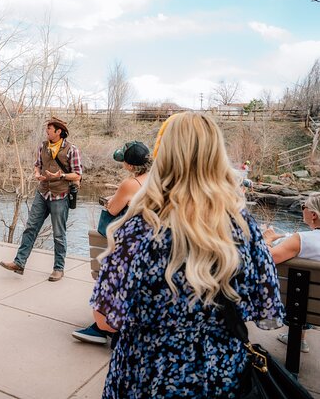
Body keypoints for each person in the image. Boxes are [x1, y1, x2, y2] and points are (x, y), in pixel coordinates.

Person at [90, 112, 284, 397]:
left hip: (148, 375)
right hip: (221, 377)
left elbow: (104, 320)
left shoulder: (139, 230)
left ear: (164, 157)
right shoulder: (243, 227)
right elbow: (264, 303)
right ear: (217, 156)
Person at [72, 140, 151, 345]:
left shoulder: (130, 184)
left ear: (130, 165)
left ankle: (102, 327)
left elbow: (113, 211)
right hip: (152, 246)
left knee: (110, 273)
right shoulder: (159, 180)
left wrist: (111, 202)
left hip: (129, 249)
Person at [0, 117, 82, 282]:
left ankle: (58, 269)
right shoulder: (43, 146)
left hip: (60, 195)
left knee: (59, 234)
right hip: (42, 193)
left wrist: (62, 175)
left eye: (49, 129)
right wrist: (37, 174)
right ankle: (19, 263)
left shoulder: (72, 149)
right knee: (30, 228)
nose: (47, 132)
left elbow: (78, 174)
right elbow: (37, 164)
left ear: (59, 131)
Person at [264, 192, 320, 353]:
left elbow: (267, 259)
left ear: (314, 215)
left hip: (297, 306)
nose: (303, 209)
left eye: (304, 207)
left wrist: (267, 240)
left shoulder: (301, 239)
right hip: (314, 307)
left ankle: (297, 336)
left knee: (299, 292)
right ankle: (300, 338)